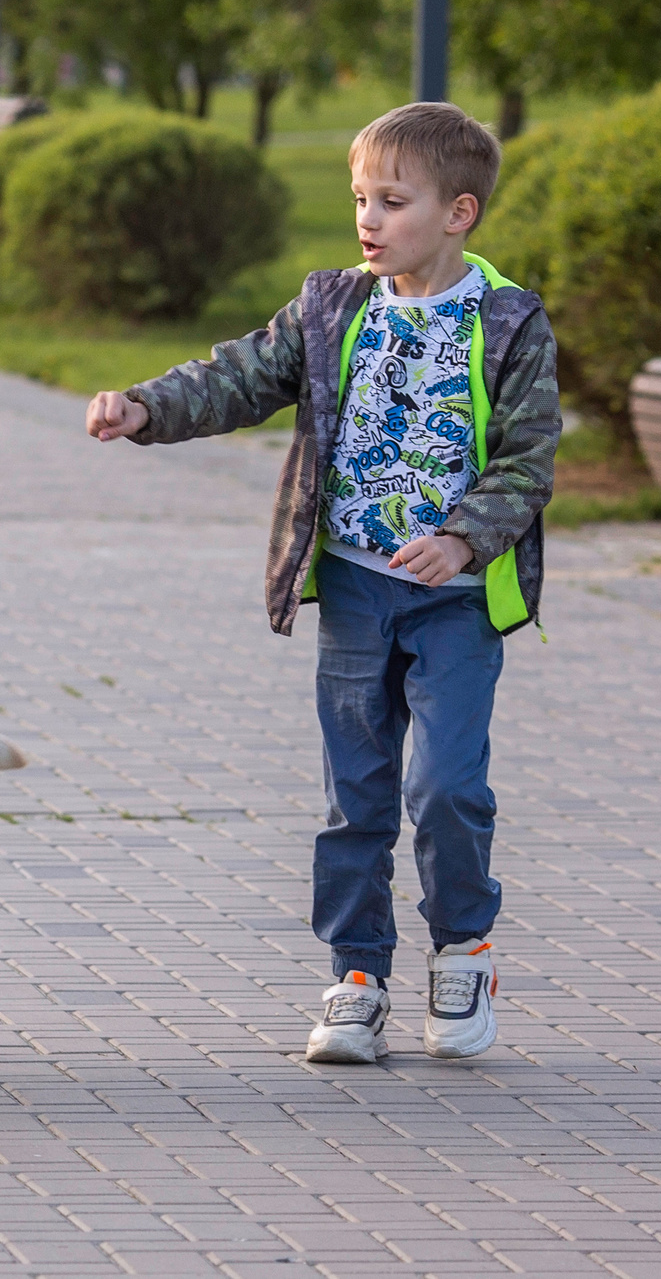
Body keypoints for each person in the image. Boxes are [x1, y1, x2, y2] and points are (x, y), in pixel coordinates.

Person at [85, 102, 557, 1064]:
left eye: (393, 200)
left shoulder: (508, 319)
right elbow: (241, 376)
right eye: (359, 199)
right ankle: (357, 977)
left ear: (460, 212)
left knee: (448, 786)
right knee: (358, 796)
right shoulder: (333, 304)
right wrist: (144, 408)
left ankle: (462, 950)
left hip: (456, 602)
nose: (368, 220)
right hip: (353, 589)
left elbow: (529, 459)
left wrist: (467, 541)